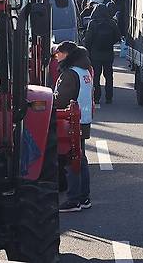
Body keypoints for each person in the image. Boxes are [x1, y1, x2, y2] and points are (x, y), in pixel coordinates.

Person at [53, 41, 93, 213]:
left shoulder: (69, 74)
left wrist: (49, 99)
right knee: (80, 158)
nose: (56, 56)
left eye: (58, 53)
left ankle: (73, 199)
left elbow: (60, 100)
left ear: (66, 54)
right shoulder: (84, 70)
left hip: (71, 121)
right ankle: (84, 197)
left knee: (72, 160)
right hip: (83, 119)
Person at [84, 4, 121, 104]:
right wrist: (110, 43)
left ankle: (96, 97)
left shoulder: (92, 23)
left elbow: (88, 39)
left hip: (95, 54)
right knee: (109, 76)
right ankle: (109, 97)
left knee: (96, 76)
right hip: (108, 53)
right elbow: (118, 36)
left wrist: (88, 49)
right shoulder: (112, 23)